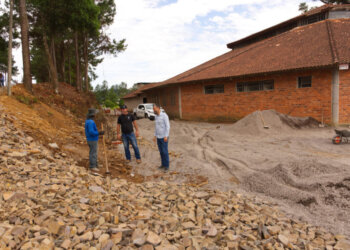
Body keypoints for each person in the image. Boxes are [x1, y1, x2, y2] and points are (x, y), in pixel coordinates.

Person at [153, 103, 170, 172]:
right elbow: (156, 127)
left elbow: (168, 126)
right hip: (158, 137)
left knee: (165, 151)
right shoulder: (156, 116)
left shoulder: (164, 115)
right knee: (161, 151)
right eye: (153, 109)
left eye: (154, 109)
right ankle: (163, 164)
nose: (153, 110)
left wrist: (166, 135)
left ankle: (167, 166)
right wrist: (155, 135)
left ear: (158, 108)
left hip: (164, 137)